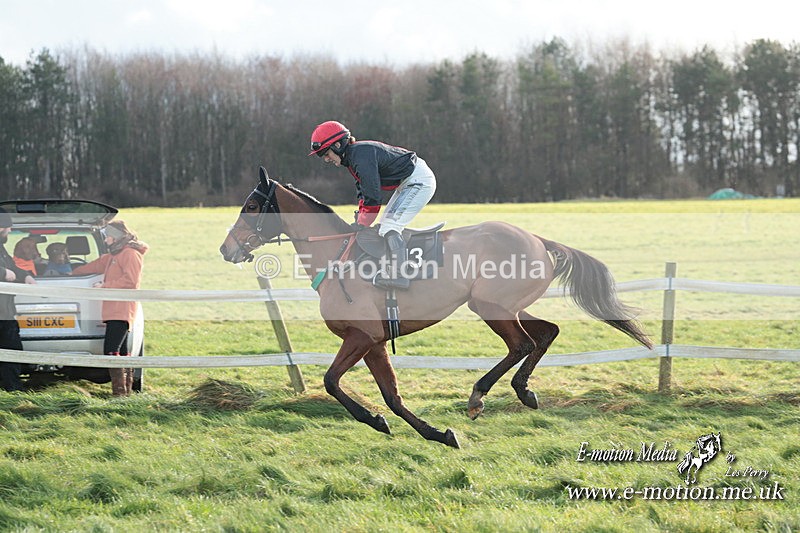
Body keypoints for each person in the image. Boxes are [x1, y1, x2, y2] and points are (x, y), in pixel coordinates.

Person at [308, 120, 436, 290]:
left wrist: (363, 223)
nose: (325, 159)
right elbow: (363, 191)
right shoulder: (354, 158)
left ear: (338, 145)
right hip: (408, 181)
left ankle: (400, 276)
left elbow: (374, 197)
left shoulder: (360, 157)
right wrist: (360, 219)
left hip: (418, 180)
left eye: (325, 153)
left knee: (390, 226)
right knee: (383, 226)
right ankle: (389, 268)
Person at [71, 220, 148, 396]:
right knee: (120, 351)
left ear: (116, 236)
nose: (105, 240)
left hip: (122, 309)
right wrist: (68, 273)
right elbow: (92, 267)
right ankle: (124, 393)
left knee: (111, 350)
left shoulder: (130, 254)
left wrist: (103, 287)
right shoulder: (113, 256)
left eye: (107, 237)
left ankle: (120, 393)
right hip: (113, 310)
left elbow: (131, 282)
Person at [0, 207, 36, 392]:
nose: (10, 231)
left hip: (5, 312)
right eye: (8, 227)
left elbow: (13, 267)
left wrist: (26, 276)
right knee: (10, 350)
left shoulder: (1, 247)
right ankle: (11, 389)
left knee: (12, 351)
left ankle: (11, 390)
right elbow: (6, 270)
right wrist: (3, 272)